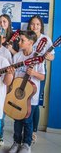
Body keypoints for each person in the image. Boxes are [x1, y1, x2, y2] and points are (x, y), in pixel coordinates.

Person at [8, 30, 48, 153]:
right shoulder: (17, 56)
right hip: (18, 93)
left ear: (31, 42)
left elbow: (42, 77)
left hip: (31, 96)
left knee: (27, 121)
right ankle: (16, 142)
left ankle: (26, 144)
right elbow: (13, 74)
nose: (19, 42)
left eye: (22, 40)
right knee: (17, 120)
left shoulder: (38, 58)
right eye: (19, 39)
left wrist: (34, 73)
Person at [27, 15, 55, 145]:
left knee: (35, 101)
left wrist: (49, 57)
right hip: (26, 71)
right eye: (32, 24)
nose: (35, 27)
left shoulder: (46, 39)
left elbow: (52, 57)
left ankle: (33, 131)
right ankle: (25, 128)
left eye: (37, 24)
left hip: (39, 72)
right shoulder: (27, 36)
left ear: (41, 26)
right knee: (25, 100)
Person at [0, 26, 12, 148]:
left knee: (0, 114)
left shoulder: (6, 53)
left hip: (1, 89)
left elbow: (10, 72)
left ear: (3, 39)